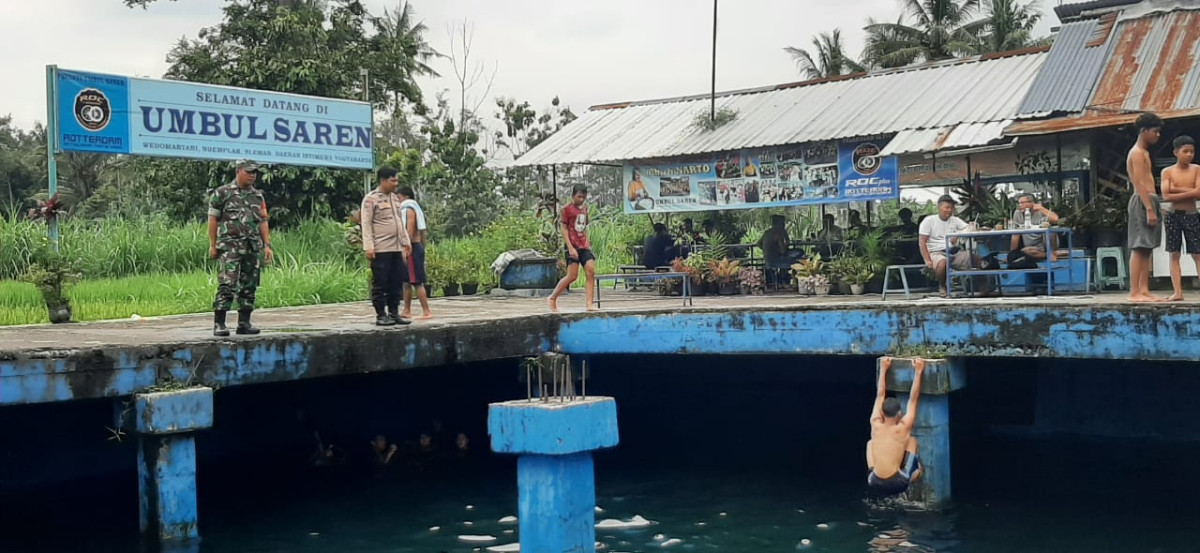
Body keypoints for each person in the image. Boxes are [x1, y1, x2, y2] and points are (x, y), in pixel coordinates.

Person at [208, 159, 273, 337]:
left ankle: (244, 323)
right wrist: (213, 245)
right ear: (238, 171)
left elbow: (263, 221)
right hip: (230, 247)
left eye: (255, 172)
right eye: (249, 172)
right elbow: (213, 219)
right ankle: (219, 323)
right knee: (227, 284)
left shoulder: (257, 196)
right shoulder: (222, 193)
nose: (252, 175)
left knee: (249, 285)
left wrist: (267, 245)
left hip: (252, 247)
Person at [362, 167, 413, 326]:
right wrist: (369, 246)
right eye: (393, 180)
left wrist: (406, 242)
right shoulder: (371, 199)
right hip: (381, 248)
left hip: (396, 248)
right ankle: (380, 315)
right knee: (380, 283)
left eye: (397, 180)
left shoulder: (395, 199)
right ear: (383, 180)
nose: (396, 184)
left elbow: (399, 222)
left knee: (396, 282)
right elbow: (366, 223)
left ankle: (394, 312)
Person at [866, 357, 925, 497]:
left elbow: (880, 395)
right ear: (899, 414)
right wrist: (918, 372)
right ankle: (916, 473)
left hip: (873, 481)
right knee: (912, 441)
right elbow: (913, 399)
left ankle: (873, 470)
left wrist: (883, 369)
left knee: (870, 443)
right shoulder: (903, 427)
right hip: (898, 483)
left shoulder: (875, 422)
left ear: (882, 412)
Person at [1127, 112, 1165, 302]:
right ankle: (1134, 291)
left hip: (1151, 198)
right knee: (1139, 246)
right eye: (1155, 131)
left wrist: (1155, 204)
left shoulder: (1145, 153)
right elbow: (1139, 182)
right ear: (1144, 131)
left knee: (1148, 247)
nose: (1158, 135)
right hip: (1141, 200)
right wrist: (1149, 208)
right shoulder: (1136, 153)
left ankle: (1144, 289)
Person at [919, 195, 989, 297]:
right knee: (942, 263)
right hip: (937, 252)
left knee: (976, 259)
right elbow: (922, 241)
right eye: (946, 207)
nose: (949, 210)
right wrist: (927, 260)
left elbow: (968, 227)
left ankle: (984, 288)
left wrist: (959, 234)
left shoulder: (955, 220)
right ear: (939, 207)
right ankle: (942, 287)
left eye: (951, 208)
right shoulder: (929, 221)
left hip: (954, 252)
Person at [1160, 135, 1200, 301]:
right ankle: (1178, 292)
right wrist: (1188, 191)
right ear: (1176, 152)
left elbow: (1198, 194)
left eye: (1192, 151)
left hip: (1192, 215)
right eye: (1185, 151)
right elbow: (1166, 196)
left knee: (1198, 254)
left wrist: (1176, 189)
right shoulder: (1167, 171)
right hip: (1173, 216)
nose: (1189, 155)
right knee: (1174, 254)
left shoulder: (1197, 169)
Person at [548, 185, 597, 313]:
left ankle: (589, 304)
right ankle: (553, 298)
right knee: (572, 276)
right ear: (573, 196)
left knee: (591, 271)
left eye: (583, 197)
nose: (581, 199)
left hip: (584, 245)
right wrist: (570, 248)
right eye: (579, 196)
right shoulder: (567, 209)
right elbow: (563, 229)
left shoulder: (585, 208)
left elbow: (585, 223)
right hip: (572, 245)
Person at [397, 185, 433, 319]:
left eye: (399, 197)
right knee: (406, 281)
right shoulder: (411, 208)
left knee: (416, 281)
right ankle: (407, 310)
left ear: (405, 197)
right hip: (411, 247)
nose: (398, 200)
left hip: (411, 247)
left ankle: (426, 311)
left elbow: (410, 230)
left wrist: (406, 247)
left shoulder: (408, 209)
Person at [1008, 194, 1060, 266]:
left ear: (1032, 203)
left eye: (1023, 203)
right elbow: (1015, 235)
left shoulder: (1040, 212)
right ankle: (1049, 255)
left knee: (1051, 230)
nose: (1020, 205)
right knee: (1025, 251)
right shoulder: (1017, 213)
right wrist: (1011, 255)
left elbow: (1055, 219)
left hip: (1045, 243)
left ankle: (1052, 252)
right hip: (1032, 248)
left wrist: (1041, 208)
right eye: (1019, 203)